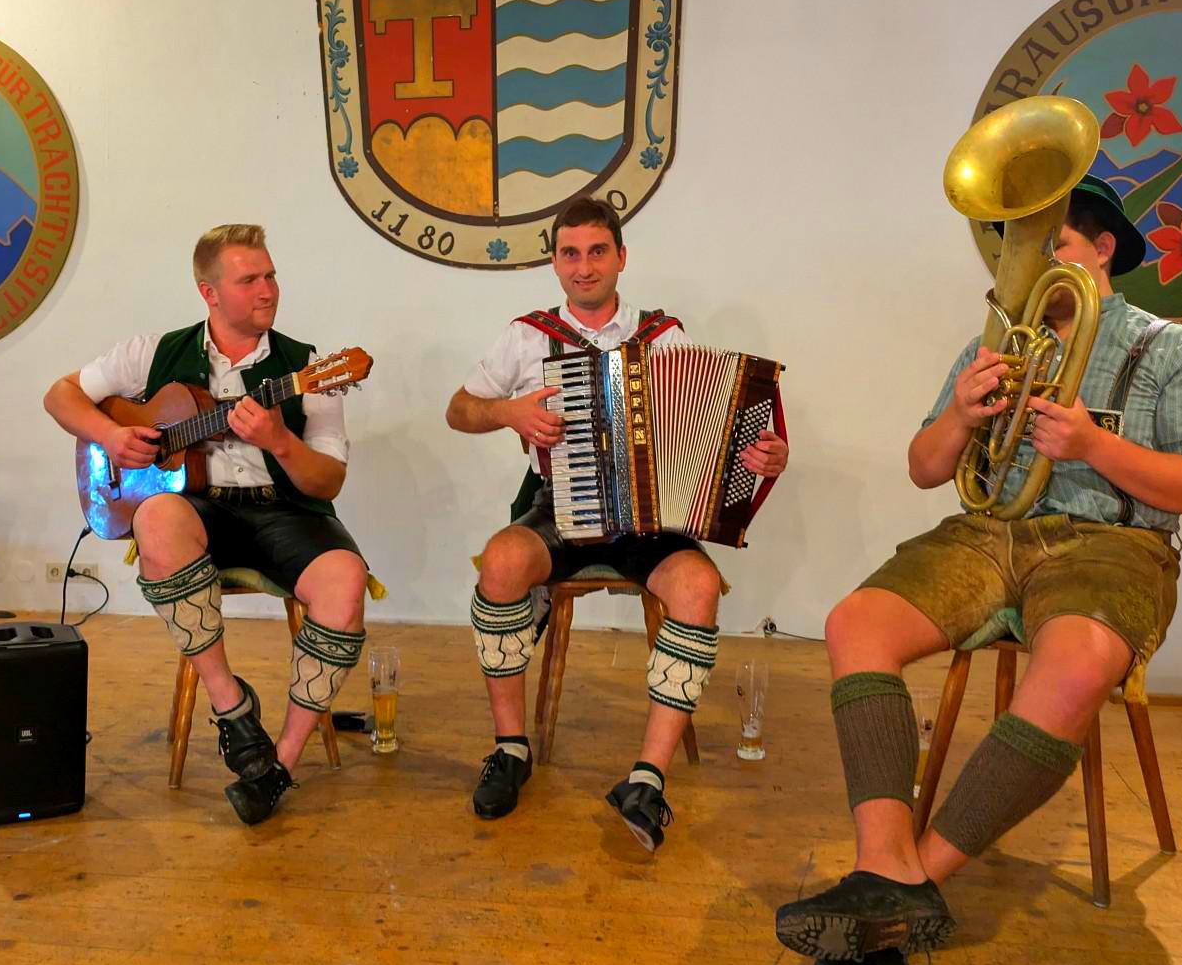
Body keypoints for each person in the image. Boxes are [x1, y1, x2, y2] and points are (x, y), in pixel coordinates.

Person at [774, 176, 1182, 965]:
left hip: (1114, 545)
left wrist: (1094, 446)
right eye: (1020, 249)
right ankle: (884, 865)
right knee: (855, 623)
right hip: (988, 534)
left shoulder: (1174, 348)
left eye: (1054, 244)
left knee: (1078, 665)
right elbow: (924, 469)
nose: (1030, 265)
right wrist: (959, 416)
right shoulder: (995, 344)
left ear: (1102, 249)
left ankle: (915, 880)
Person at [446, 197, 790, 851]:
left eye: (597, 251)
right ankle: (510, 748)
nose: (584, 266)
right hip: (561, 505)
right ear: (554, 261)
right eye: (570, 253)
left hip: (652, 519)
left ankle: (647, 778)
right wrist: (510, 412)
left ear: (621, 257)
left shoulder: (664, 336)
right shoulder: (527, 336)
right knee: (501, 561)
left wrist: (766, 454)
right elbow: (460, 410)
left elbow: (718, 433)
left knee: (699, 587)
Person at [44, 224, 370, 824]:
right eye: (249, 280)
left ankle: (277, 765)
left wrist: (280, 442)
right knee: (156, 516)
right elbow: (60, 396)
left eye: (271, 276)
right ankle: (231, 707)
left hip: (286, 510)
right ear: (209, 292)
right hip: (201, 509)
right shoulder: (153, 352)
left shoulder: (308, 367)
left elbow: (328, 482)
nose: (267, 290)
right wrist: (111, 435)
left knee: (346, 583)